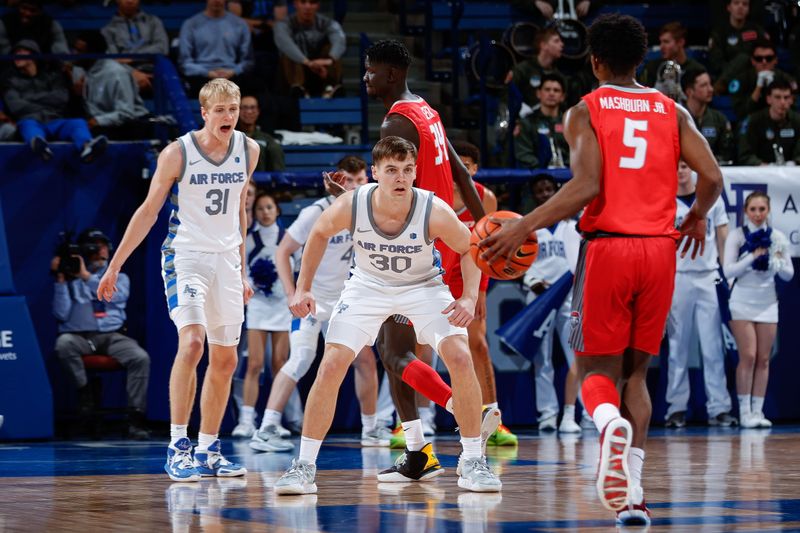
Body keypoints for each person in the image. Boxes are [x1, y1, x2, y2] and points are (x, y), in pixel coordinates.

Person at [479, 14, 724, 525]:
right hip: (660, 251)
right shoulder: (672, 110)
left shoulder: (585, 109)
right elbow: (713, 176)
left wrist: (524, 226)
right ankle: (632, 494)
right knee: (637, 373)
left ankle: (608, 425)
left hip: (609, 247)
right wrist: (697, 217)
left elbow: (587, 185)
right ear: (643, 60)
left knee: (596, 372)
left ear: (593, 63)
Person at [274, 136, 502, 495]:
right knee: (332, 363)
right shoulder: (355, 203)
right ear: (375, 173)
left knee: (459, 355)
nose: (400, 177)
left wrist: (470, 296)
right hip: (367, 287)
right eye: (392, 170)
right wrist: (303, 288)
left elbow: (470, 246)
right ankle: (303, 467)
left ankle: (473, 462)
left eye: (407, 170)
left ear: (415, 173)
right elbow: (318, 234)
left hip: (422, 287)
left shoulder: (433, 208)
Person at [97, 78, 259, 482]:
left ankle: (209, 448)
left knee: (225, 358)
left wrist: (242, 269)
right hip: (185, 256)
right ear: (203, 113)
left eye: (233, 108)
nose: (228, 116)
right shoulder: (178, 152)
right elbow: (149, 211)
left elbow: (240, 209)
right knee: (192, 342)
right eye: (219, 109)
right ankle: (177, 444)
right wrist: (115, 265)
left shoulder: (248, 150)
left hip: (226, 261)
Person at [362, 39, 497, 464]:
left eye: (371, 71)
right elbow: (459, 169)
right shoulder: (424, 107)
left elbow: (399, 194)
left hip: (417, 245)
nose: (365, 78)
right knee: (395, 348)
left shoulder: (395, 125)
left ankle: (456, 411)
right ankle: (420, 449)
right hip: (443, 234)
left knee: (399, 350)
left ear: (392, 75)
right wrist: (483, 224)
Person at [250, 156, 392, 451]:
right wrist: (293, 293)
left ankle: (371, 429)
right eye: (349, 180)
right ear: (339, 180)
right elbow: (282, 252)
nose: (355, 185)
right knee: (301, 358)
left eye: (360, 180)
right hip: (313, 299)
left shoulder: (368, 211)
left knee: (365, 360)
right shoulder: (315, 212)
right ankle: (266, 428)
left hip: (345, 301)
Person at [52, 228, 151, 439]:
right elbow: (61, 313)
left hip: (113, 336)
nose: (100, 251)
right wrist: (61, 281)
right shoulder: (72, 279)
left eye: (103, 246)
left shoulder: (119, 277)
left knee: (140, 357)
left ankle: (135, 417)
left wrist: (86, 277)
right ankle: (86, 399)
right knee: (63, 343)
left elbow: (116, 296)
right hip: (81, 337)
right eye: (94, 247)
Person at [451, 140, 518, 446]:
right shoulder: (433, 193)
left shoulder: (485, 198)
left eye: (466, 166)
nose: (460, 171)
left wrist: (479, 292)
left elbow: (486, 251)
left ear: (475, 169)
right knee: (420, 348)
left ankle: (493, 420)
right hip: (434, 276)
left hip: (470, 278)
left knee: (478, 345)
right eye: (456, 165)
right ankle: (409, 424)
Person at [665, 160, 736, 429]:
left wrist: (727, 274)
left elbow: (723, 238)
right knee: (677, 346)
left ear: (693, 169)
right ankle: (676, 407)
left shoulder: (710, 199)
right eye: (677, 166)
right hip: (678, 277)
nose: (681, 170)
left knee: (712, 347)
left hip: (708, 276)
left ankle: (719, 408)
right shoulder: (666, 202)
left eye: (685, 165)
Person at [723, 191, 794, 428]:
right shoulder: (737, 236)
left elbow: (788, 274)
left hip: (767, 302)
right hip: (742, 300)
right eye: (753, 209)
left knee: (764, 359)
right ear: (745, 211)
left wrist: (777, 260)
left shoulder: (778, 237)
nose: (757, 214)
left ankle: (757, 411)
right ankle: (744, 412)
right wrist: (751, 257)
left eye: (762, 209)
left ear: (768, 211)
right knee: (749, 356)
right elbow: (728, 271)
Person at [521, 174, 585, 433]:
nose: (545, 193)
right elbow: (518, 265)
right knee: (542, 359)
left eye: (549, 189)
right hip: (539, 297)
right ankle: (547, 414)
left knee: (577, 356)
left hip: (570, 296)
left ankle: (583, 413)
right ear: (534, 195)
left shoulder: (572, 224)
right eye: (540, 190)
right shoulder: (528, 226)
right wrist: (531, 280)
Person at [232, 192, 297, 438]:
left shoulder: (288, 238)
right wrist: (252, 283)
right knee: (255, 364)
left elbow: (299, 268)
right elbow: (242, 268)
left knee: (280, 364)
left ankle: (274, 420)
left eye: (269, 207)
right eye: (260, 208)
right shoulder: (249, 238)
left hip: (282, 306)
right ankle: (246, 420)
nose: (265, 212)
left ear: (277, 210)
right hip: (258, 304)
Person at [2, 40, 107, 163]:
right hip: (30, 120)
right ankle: (42, 149)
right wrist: (46, 102)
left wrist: (28, 98)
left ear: (34, 55)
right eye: (15, 52)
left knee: (77, 122)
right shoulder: (9, 81)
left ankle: (87, 147)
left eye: (21, 51)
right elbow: (16, 106)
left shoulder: (52, 77)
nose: (16, 55)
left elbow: (61, 98)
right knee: (28, 126)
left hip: (55, 120)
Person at [74, 31, 152, 141]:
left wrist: (97, 121)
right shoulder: (81, 72)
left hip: (131, 125)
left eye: (80, 51)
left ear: (92, 54)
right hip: (102, 123)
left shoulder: (116, 73)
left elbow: (126, 113)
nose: (74, 54)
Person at [178, 0, 255, 97]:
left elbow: (248, 61)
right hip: (200, 77)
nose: (217, 1)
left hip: (232, 76)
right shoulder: (190, 24)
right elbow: (184, 63)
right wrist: (207, 73)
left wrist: (233, 71)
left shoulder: (240, 24)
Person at [274, 0, 346, 98]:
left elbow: (340, 40)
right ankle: (298, 89)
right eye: (303, 2)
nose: (308, 7)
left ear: (318, 5)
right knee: (288, 54)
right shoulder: (284, 24)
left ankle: (330, 89)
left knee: (331, 50)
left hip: (322, 69)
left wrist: (329, 60)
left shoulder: (327, 23)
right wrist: (308, 63)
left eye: (312, 2)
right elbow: (284, 43)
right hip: (298, 69)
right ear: (295, 4)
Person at [716, 39, 797, 120]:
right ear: (752, 61)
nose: (764, 62)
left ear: (775, 60)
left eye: (769, 58)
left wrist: (772, 88)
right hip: (750, 123)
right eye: (759, 58)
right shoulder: (741, 80)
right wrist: (758, 87)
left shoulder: (785, 79)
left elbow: (793, 110)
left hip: (778, 122)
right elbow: (741, 113)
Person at [101, 0, 169, 91]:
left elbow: (162, 48)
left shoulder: (154, 22)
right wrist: (132, 73)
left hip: (155, 70)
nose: (130, 1)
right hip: (125, 74)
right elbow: (113, 60)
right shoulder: (107, 30)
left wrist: (132, 57)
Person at [737, 79, 800, 165]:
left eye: (786, 97)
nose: (782, 102)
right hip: (760, 173)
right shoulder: (753, 121)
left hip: (791, 172)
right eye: (777, 97)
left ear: (791, 100)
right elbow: (745, 154)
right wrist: (763, 165)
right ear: (769, 99)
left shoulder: (797, 121)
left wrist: (794, 163)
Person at [515, 73, 570, 169]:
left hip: (568, 176)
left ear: (562, 97)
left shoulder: (570, 123)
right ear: (538, 93)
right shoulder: (527, 122)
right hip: (537, 178)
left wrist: (567, 168)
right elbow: (523, 153)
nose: (551, 93)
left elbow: (577, 152)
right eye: (547, 89)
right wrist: (543, 172)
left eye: (556, 90)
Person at [681, 68, 734, 164]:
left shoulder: (719, 119)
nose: (711, 89)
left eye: (710, 84)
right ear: (689, 91)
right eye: (704, 85)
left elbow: (726, 154)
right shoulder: (678, 118)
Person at [509, 27, 565, 111]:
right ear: (543, 45)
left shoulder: (559, 75)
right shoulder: (522, 70)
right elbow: (508, 95)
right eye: (556, 41)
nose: (562, 44)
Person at [708, 0, 769, 76]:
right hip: (728, 77)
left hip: (753, 75)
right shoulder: (719, 33)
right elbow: (717, 63)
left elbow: (767, 54)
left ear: (748, 9)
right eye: (736, 3)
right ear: (729, 7)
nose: (740, 7)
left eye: (745, 4)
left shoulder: (757, 31)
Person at [639, 22, 704, 88]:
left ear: (681, 42)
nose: (661, 46)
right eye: (661, 42)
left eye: (666, 42)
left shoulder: (696, 70)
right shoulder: (652, 68)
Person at [236, 95, 286, 171]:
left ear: (258, 111)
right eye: (245, 108)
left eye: (252, 108)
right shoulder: (230, 136)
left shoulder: (266, 138)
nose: (249, 111)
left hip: (263, 181)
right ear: (238, 111)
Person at [0, 0, 68, 55]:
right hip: (12, 65)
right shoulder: (5, 22)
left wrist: (64, 62)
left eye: (33, 10)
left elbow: (60, 46)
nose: (27, 13)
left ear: (40, 12)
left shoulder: (51, 24)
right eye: (24, 8)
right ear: (19, 7)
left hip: (43, 66)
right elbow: (5, 51)